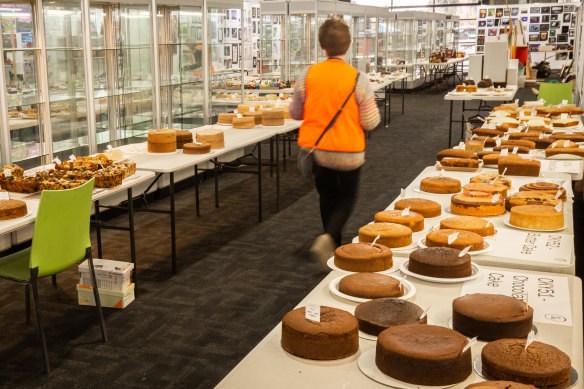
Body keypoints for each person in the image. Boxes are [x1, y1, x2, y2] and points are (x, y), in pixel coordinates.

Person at [289, 18, 381, 267]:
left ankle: (332, 247)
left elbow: (295, 113)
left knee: (327, 196)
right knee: (347, 198)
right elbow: (371, 121)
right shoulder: (358, 79)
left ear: (322, 45)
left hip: (318, 150)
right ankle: (330, 238)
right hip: (350, 150)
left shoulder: (307, 75)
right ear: (348, 46)